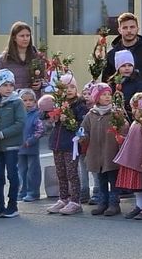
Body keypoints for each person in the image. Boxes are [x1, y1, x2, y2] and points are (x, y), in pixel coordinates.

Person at [78, 81, 124, 216]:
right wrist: (82, 137)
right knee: (101, 179)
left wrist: (120, 134)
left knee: (113, 179)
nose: (107, 97)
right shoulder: (91, 114)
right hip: (96, 153)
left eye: (109, 94)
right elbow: (83, 129)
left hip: (111, 152)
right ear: (97, 97)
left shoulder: (115, 112)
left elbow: (124, 127)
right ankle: (102, 203)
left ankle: (114, 204)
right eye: (104, 94)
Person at [45, 73, 87, 216]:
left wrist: (69, 121)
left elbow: (82, 125)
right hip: (57, 143)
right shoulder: (58, 103)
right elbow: (47, 119)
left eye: (72, 87)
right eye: (65, 88)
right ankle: (63, 198)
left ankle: (75, 201)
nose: (69, 90)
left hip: (70, 144)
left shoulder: (80, 105)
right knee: (60, 173)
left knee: (72, 173)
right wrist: (54, 118)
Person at [113, 91, 142, 220]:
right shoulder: (136, 122)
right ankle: (139, 206)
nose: (136, 110)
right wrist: (123, 139)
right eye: (134, 107)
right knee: (137, 186)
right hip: (134, 160)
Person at [0, 70, 25, 219]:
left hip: (11, 145)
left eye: (11, 85)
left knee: (12, 174)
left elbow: (20, 123)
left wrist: (2, 134)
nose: (8, 88)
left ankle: (12, 205)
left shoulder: (17, 102)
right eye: (4, 85)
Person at [102, 12, 142, 97]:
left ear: (137, 29)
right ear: (119, 30)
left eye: (132, 27)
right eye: (125, 27)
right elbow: (105, 82)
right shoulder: (111, 54)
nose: (129, 31)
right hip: (119, 104)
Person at [0, 21, 44, 93]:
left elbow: (45, 79)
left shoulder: (37, 58)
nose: (25, 39)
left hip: (31, 100)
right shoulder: (4, 59)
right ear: (14, 38)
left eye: (28, 35)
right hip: (11, 100)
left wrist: (40, 84)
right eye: (22, 36)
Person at [17, 89, 44, 202]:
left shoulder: (36, 114)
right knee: (21, 170)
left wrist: (31, 140)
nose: (28, 102)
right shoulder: (19, 114)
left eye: (30, 100)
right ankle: (22, 191)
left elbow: (40, 129)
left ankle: (33, 192)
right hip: (19, 147)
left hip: (31, 147)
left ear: (34, 101)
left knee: (32, 171)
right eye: (25, 100)